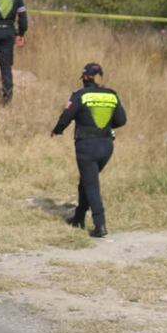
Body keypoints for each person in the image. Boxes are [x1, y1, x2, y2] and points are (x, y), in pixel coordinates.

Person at [51, 63, 127, 238]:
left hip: (87, 146)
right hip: (107, 146)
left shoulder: (80, 94)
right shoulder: (111, 94)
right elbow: (121, 120)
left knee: (91, 184)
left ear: (85, 77)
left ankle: (100, 224)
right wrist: (104, 126)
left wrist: (57, 130)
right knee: (86, 180)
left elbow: (66, 116)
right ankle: (78, 218)